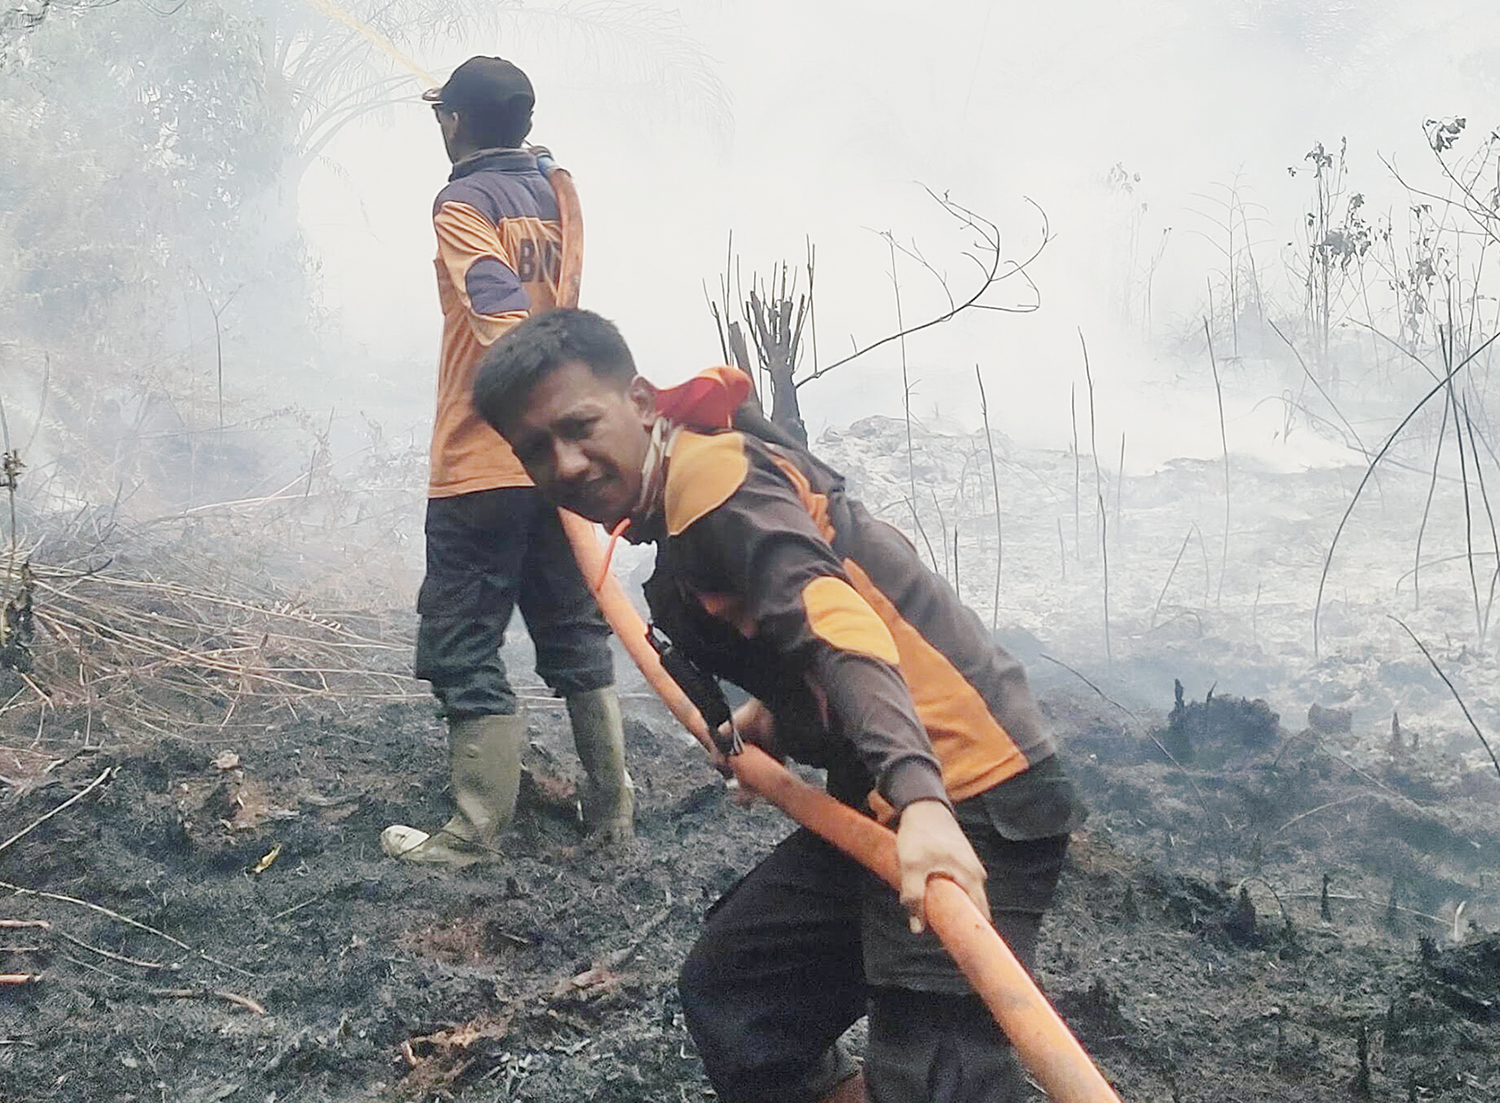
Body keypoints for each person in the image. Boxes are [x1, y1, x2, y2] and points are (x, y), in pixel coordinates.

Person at [472, 308, 1086, 1103]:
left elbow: (837, 620)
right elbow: (789, 613)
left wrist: (923, 802)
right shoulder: (681, 496)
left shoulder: (714, 487)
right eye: (536, 450)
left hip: (968, 791)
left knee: (938, 1077)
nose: (567, 462)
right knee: (742, 996)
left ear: (642, 402)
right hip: (878, 800)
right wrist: (778, 704)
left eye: (579, 426)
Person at [380, 59, 633, 868]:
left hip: (479, 463)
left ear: (455, 125)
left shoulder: (460, 203)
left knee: (461, 639)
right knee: (573, 630)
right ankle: (612, 813)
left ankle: (473, 831)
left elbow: (498, 312)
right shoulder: (559, 189)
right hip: (560, 463)